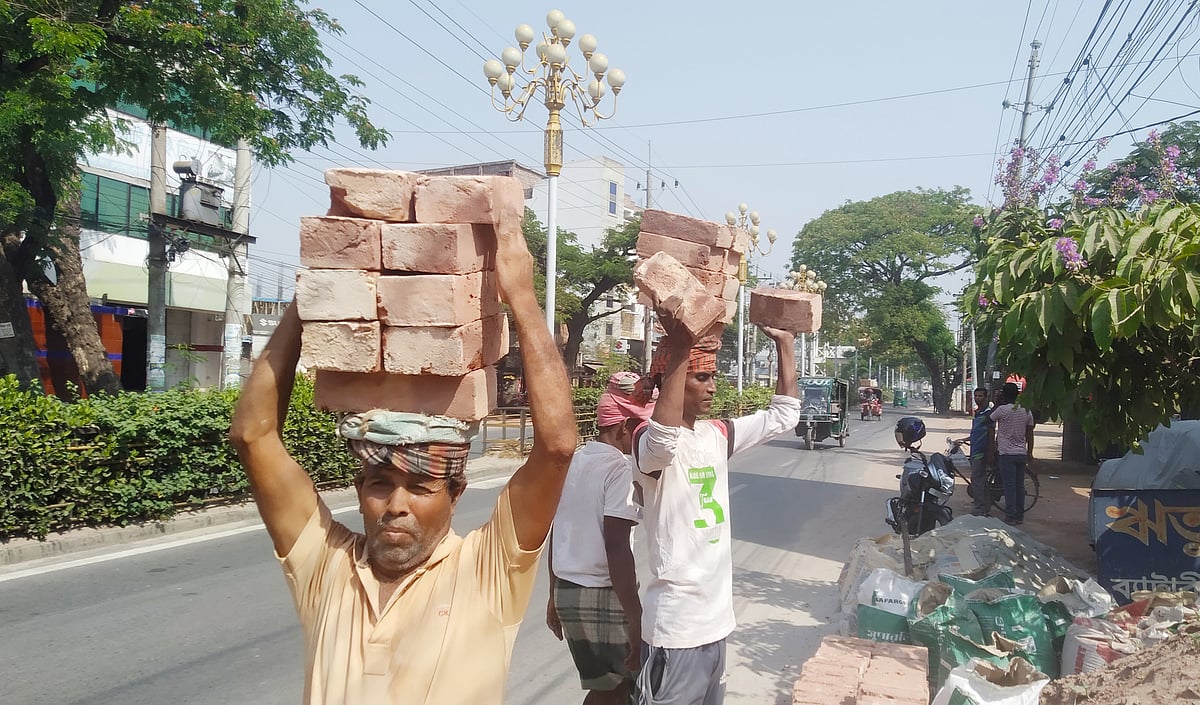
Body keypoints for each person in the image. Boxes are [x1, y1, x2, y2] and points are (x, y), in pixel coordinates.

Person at [228, 217, 576, 705]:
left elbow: (557, 448)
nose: (395, 505)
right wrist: (320, 290)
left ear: (456, 494)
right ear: (358, 490)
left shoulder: (486, 570)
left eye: (420, 485)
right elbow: (252, 435)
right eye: (379, 483)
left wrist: (520, 294)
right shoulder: (326, 568)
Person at [632, 320, 800, 705]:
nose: (712, 386)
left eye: (713, 376)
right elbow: (662, 440)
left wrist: (785, 345)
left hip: (716, 624)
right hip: (676, 630)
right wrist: (679, 348)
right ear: (671, 380)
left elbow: (784, 416)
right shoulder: (647, 440)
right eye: (701, 377)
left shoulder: (715, 435)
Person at [546, 371, 655, 705]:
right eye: (640, 429)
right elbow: (616, 545)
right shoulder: (620, 469)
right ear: (623, 428)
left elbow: (556, 531)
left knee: (609, 688)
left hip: (568, 591)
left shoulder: (574, 461)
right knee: (616, 688)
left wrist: (553, 594)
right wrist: (635, 615)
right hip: (601, 594)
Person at [988, 381, 1035, 526]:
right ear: (1017, 395)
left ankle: (1010, 516)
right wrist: (1030, 453)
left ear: (1003, 394)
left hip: (1006, 453)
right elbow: (1030, 434)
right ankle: (1019, 516)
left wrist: (996, 403)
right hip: (1021, 453)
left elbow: (987, 419)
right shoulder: (1026, 410)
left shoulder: (1002, 410)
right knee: (1019, 485)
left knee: (1009, 486)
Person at [968, 387, 995, 517]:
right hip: (975, 449)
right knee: (981, 480)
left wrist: (990, 452)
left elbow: (991, 433)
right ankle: (985, 506)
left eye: (980, 396)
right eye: (976, 396)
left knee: (977, 480)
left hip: (982, 452)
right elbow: (977, 432)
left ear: (986, 397)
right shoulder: (978, 413)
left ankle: (980, 508)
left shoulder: (988, 414)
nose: (978, 398)